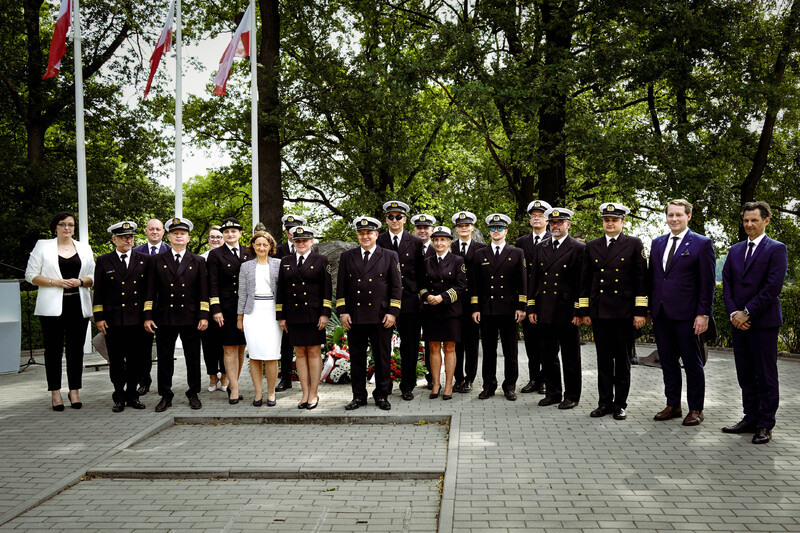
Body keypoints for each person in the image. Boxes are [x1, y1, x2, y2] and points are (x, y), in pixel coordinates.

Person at [722, 201, 788, 444]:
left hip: (763, 323)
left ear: (766, 221)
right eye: (746, 220)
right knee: (745, 374)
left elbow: (773, 287)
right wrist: (734, 314)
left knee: (765, 375)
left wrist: (746, 313)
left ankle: (765, 424)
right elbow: (727, 283)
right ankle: (750, 418)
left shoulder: (776, 249)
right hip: (738, 323)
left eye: (754, 220)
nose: (749, 224)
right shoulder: (735, 250)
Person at [649, 199, 715, 426]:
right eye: (670, 215)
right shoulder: (657, 243)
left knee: (692, 363)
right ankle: (673, 405)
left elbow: (707, 283)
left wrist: (703, 314)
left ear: (688, 216)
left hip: (688, 315)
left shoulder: (702, 243)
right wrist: (649, 309)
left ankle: (696, 409)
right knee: (667, 362)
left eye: (679, 215)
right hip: (661, 313)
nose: (674, 219)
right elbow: (653, 278)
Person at [580, 203, 648, 420]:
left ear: (623, 222)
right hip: (600, 311)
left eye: (614, 220)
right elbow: (585, 280)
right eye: (606, 220)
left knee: (622, 360)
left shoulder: (634, 244)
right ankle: (604, 403)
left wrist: (640, 311)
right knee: (603, 360)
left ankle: (620, 404)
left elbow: (641, 280)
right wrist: (584, 310)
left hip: (623, 312)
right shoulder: (592, 245)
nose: (610, 223)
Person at [25, 211, 95, 410]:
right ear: (55, 227)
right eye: (63, 224)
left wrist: (80, 281)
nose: (67, 228)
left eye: (71, 225)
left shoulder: (84, 248)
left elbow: (93, 276)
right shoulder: (43, 246)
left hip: (77, 305)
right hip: (51, 308)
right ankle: (55, 393)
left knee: (76, 351)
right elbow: (30, 275)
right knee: (53, 351)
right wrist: (53, 282)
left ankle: (74, 392)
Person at [143, 217, 209, 412]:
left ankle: (193, 393)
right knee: (164, 358)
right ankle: (165, 395)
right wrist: (148, 316)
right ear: (169, 237)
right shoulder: (156, 260)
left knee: (193, 358)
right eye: (175, 233)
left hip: (191, 317)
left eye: (182, 234)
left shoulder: (198, 261)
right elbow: (150, 290)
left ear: (188, 238)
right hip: (165, 317)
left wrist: (204, 315)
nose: (179, 236)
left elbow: (203, 291)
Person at [337, 216, 402, 411]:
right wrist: (342, 312)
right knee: (357, 359)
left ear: (376, 235)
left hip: (381, 316)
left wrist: (393, 312)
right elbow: (341, 286)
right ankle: (358, 396)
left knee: (382, 358)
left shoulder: (389, 255)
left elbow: (396, 286)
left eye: (369, 233)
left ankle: (381, 395)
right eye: (361, 233)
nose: (365, 236)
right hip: (355, 316)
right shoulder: (347, 256)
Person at [527, 208, 584, 410]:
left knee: (570, 357)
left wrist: (579, 311)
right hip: (545, 309)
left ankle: (572, 395)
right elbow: (534, 278)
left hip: (567, 310)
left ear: (568, 224)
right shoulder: (541, 247)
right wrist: (532, 307)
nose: (555, 226)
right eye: (552, 223)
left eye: (560, 222)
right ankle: (553, 393)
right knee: (548, 355)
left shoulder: (578, 248)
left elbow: (581, 282)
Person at [93, 221, 149, 412]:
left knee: (135, 360)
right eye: (124, 237)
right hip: (113, 320)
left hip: (137, 320)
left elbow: (148, 291)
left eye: (131, 237)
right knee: (116, 360)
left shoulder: (144, 260)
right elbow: (99, 291)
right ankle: (118, 395)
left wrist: (148, 316)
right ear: (114, 239)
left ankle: (133, 395)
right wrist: (99, 317)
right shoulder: (104, 260)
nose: (128, 240)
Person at [471, 213, 527, 401]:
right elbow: (475, 284)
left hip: (509, 309)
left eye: (500, 228)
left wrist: (521, 307)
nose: (496, 231)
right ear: (489, 231)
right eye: (493, 228)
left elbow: (522, 282)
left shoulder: (517, 253)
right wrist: (475, 308)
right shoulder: (480, 254)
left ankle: (509, 386)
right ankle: (488, 386)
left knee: (511, 351)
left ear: (506, 231)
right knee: (488, 351)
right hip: (487, 309)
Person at [276, 226, 332, 409]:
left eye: (304, 240)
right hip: (293, 314)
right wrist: (281, 316)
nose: (301, 243)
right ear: (293, 242)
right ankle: (305, 393)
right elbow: (281, 289)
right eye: (297, 240)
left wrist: (325, 313)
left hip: (314, 314)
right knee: (299, 352)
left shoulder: (321, 260)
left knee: (314, 352)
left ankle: (314, 394)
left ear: (311, 241)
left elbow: (327, 289)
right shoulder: (286, 261)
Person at [377, 201, 425, 401]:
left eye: (398, 217)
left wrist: (422, 295)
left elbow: (420, 272)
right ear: (386, 219)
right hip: (384, 302)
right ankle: (384, 385)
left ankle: (407, 385)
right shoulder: (378, 239)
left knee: (410, 345)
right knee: (382, 346)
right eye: (391, 216)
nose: (395, 220)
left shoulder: (415, 242)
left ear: (405, 219)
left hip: (409, 300)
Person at [419, 226, 467, 399]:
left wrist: (442, 297)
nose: (439, 243)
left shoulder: (458, 260)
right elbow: (421, 285)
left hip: (450, 310)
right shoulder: (427, 261)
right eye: (436, 240)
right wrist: (427, 296)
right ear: (433, 242)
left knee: (449, 348)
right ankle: (435, 384)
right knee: (433, 347)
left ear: (449, 242)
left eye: (443, 240)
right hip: (431, 311)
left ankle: (448, 385)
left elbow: (461, 286)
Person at [208, 217, 250, 405]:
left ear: (240, 233)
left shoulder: (249, 252)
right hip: (227, 308)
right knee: (229, 347)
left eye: (234, 231)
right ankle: (234, 389)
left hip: (247, 308)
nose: (230, 234)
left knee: (241, 348)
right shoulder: (215, 254)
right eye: (226, 232)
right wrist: (216, 309)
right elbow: (212, 283)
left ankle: (234, 384)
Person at [237, 231, 282, 406]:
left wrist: (283, 315)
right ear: (253, 246)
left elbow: (283, 291)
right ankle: (258, 393)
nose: (261, 247)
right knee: (255, 355)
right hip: (252, 312)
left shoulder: (279, 264)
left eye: (265, 244)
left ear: (270, 246)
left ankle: (271, 393)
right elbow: (242, 293)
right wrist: (240, 317)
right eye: (258, 244)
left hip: (272, 312)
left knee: (271, 354)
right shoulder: (246, 266)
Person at [516, 200, 551, 395]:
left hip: (547, 299)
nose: (536, 218)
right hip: (528, 299)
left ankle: (546, 380)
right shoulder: (521, 242)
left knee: (547, 342)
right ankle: (534, 379)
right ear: (530, 220)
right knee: (530, 343)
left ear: (547, 220)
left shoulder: (553, 239)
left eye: (540, 215)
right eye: (533, 216)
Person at [450, 211, 487, 393]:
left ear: (472, 227)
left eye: (467, 225)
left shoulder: (481, 248)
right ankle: (457, 378)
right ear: (456, 229)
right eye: (460, 226)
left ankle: (469, 378)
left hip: (473, 302)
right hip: (453, 302)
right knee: (455, 342)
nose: (463, 228)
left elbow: (483, 278)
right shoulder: (449, 246)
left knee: (472, 343)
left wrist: (478, 304)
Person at [132, 218, 170, 395]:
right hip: (143, 307)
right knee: (142, 348)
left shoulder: (171, 251)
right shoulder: (135, 252)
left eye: (158, 229)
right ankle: (144, 381)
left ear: (163, 232)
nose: (155, 232)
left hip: (166, 307)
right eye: (151, 229)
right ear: (146, 231)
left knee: (165, 348)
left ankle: (166, 385)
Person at [273, 214, 307, 391]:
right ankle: (285, 379)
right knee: (286, 345)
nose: (292, 232)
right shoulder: (278, 251)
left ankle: (307, 381)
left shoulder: (312, 249)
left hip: (306, 305)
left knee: (306, 346)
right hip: (288, 304)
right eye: (289, 229)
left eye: (295, 228)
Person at [412, 213, 437, 389]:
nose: (422, 231)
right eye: (419, 228)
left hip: (431, 303)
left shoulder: (438, 248)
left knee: (431, 343)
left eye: (426, 228)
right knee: (411, 342)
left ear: (432, 230)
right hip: (411, 302)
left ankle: (431, 377)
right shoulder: (409, 247)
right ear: (414, 230)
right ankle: (410, 378)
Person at [200, 226, 227, 392]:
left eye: (218, 236)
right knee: (208, 344)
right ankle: (212, 376)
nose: (215, 240)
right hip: (206, 308)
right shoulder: (201, 259)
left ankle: (224, 375)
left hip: (225, 307)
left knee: (224, 343)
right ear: (208, 240)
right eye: (212, 237)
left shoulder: (228, 256)